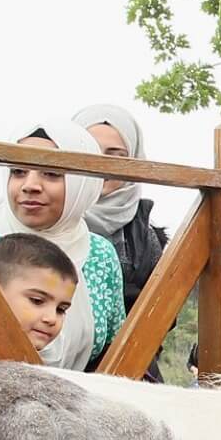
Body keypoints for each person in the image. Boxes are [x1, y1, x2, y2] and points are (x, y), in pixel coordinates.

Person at [0, 118, 123, 369]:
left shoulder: (101, 255)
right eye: (18, 172)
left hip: (74, 402)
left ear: (83, 182)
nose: (30, 186)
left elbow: (115, 350)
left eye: (51, 174)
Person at [75, 103, 170, 377]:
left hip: (123, 370)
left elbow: (162, 315)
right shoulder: (39, 212)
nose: (102, 164)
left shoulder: (145, 237)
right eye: (89, 152)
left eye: (115, 155)